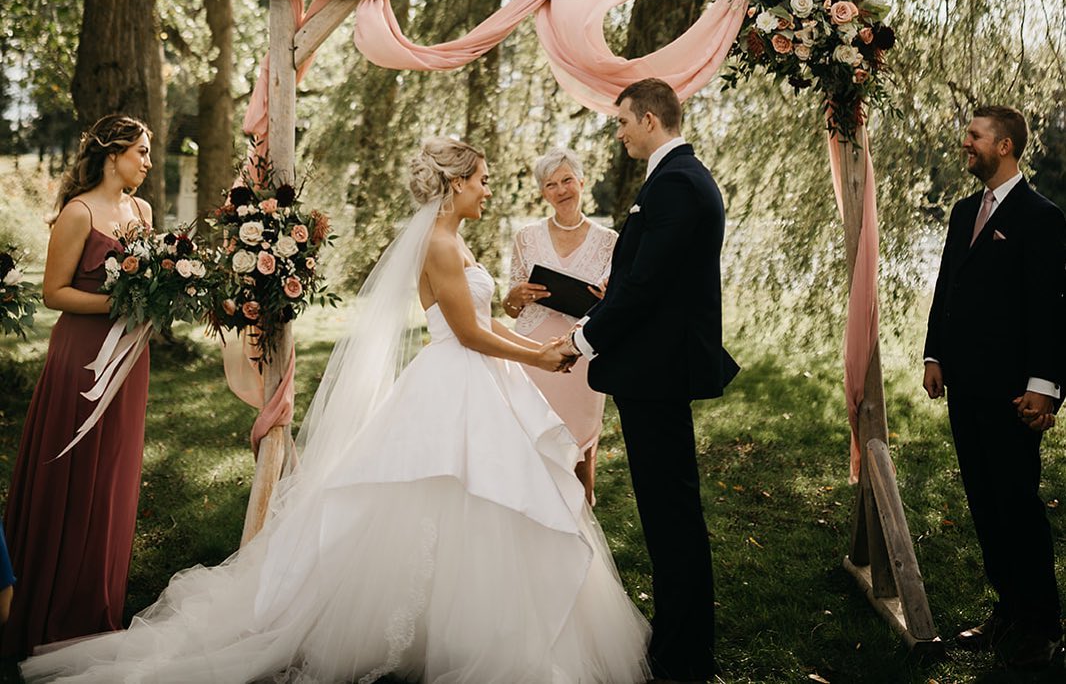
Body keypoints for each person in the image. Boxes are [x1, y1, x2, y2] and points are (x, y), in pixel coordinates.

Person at [21, 137, 650, 684]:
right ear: (456, 184)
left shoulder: (454, 239)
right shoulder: (437, 243)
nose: (488, 190)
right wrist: (540, 357)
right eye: (482, 180)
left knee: (482, 499)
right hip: (455, 382)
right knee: (450, 494)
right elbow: (466, 331)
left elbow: (484, 325)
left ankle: (462, 618)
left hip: (481, 379)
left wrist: (536, 350)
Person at [558, 77, 739, 684]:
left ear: (652, 119)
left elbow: (643, 288)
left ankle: (684, 659)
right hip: (653, 369)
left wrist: (582, 340)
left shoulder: (678, 185)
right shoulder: (675, 182)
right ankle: (677, 645)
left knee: (671, 516)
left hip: (656, 373)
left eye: (623, 121)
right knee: (667, 513)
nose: (620, 131)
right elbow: (645, 279)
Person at [2, 115, 153, 659]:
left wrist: (157, 300)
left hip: (130, 359)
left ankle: (99, 599)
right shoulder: (78, 213)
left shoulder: (144, 212)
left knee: (113, 473)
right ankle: (52, 604)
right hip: (81, 358)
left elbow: (152, 278)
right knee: (73, 470)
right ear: (113, 156)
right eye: (140, 151)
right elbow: (53, 293)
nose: (147, 162)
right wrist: (122, 303)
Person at [923, 105, 1066, 671]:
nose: (966, 143)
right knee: (983, 500)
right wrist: (936, 354)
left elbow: (1052, 311)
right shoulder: (963, 213)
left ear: (1004, 146)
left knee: (1016, 504)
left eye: (974, 136)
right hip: (965, 386)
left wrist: (1045, 387)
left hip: (1014, 392)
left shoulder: (1041, 217)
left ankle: (1044, 626)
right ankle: (1007, 609)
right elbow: (946, 288)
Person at [506, 147, 614, 502]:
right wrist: (517, 296)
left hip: (581, 354)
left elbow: (621, 305)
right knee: (529, 443)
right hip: (532, 353)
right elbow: (509, 308)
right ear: (543, 193)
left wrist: (606, 300)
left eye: (567, 180)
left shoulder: (610, 242)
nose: (561, 190)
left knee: (582, 447)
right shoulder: (525, 238)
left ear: (582, 181)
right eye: (551, 184)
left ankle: (583, 528)